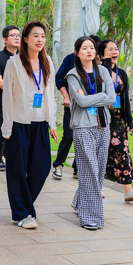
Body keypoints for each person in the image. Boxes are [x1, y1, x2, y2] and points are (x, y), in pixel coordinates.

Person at [1, 22, 57, 229]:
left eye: (43, 35)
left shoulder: (48, 61)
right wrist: (7, 128)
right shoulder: (13, 63)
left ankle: (23, 205)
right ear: (25, 39)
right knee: (17, 169)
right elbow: (7, 97)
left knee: (42, 167)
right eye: (35, 36)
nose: (40, 39)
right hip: (19, 122)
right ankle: (23, 213)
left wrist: (52, 122)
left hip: (40, 121)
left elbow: (50, 94)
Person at [67, 36, 115, 230]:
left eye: (92, 48)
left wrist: (97, 97)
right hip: (83, 127)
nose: (89, 51)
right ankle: (90, 218)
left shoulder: (103, 70)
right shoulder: (72, 75)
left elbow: (112, 97)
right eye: (84, 48)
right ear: (77, 52)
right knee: (89, 171)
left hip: (103, 125)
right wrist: (102, 97)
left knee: (98, 170)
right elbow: (82, 102)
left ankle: (80, 201)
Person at [98, 40, 133, 204]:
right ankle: (96, 188)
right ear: (101, 54)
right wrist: (105, 64)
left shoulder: (122, 73)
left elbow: (124, 99)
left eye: (116, 49)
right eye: (109, 49)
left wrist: (130, 123)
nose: (114, 51)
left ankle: (128, 191)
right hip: (101, 118)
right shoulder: (98, 71)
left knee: (123, 152)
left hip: (119, 120)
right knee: (101, 154)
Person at [0, 25, 20, 181]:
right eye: (13, 35)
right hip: (2, 104)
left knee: (19, 137)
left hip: (22, 105)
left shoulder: (26, 56)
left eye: (19, 35)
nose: (17, 37)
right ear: (5, 39)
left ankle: (17, 167)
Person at [52, 50, 78, 180]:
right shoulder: (70, 59)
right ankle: (58, 164)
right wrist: (66, 96)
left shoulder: (97, 64)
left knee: (84, 138)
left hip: (90, 107)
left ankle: (77, 168)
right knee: (68, 135)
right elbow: (59, 79)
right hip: (72, 105)